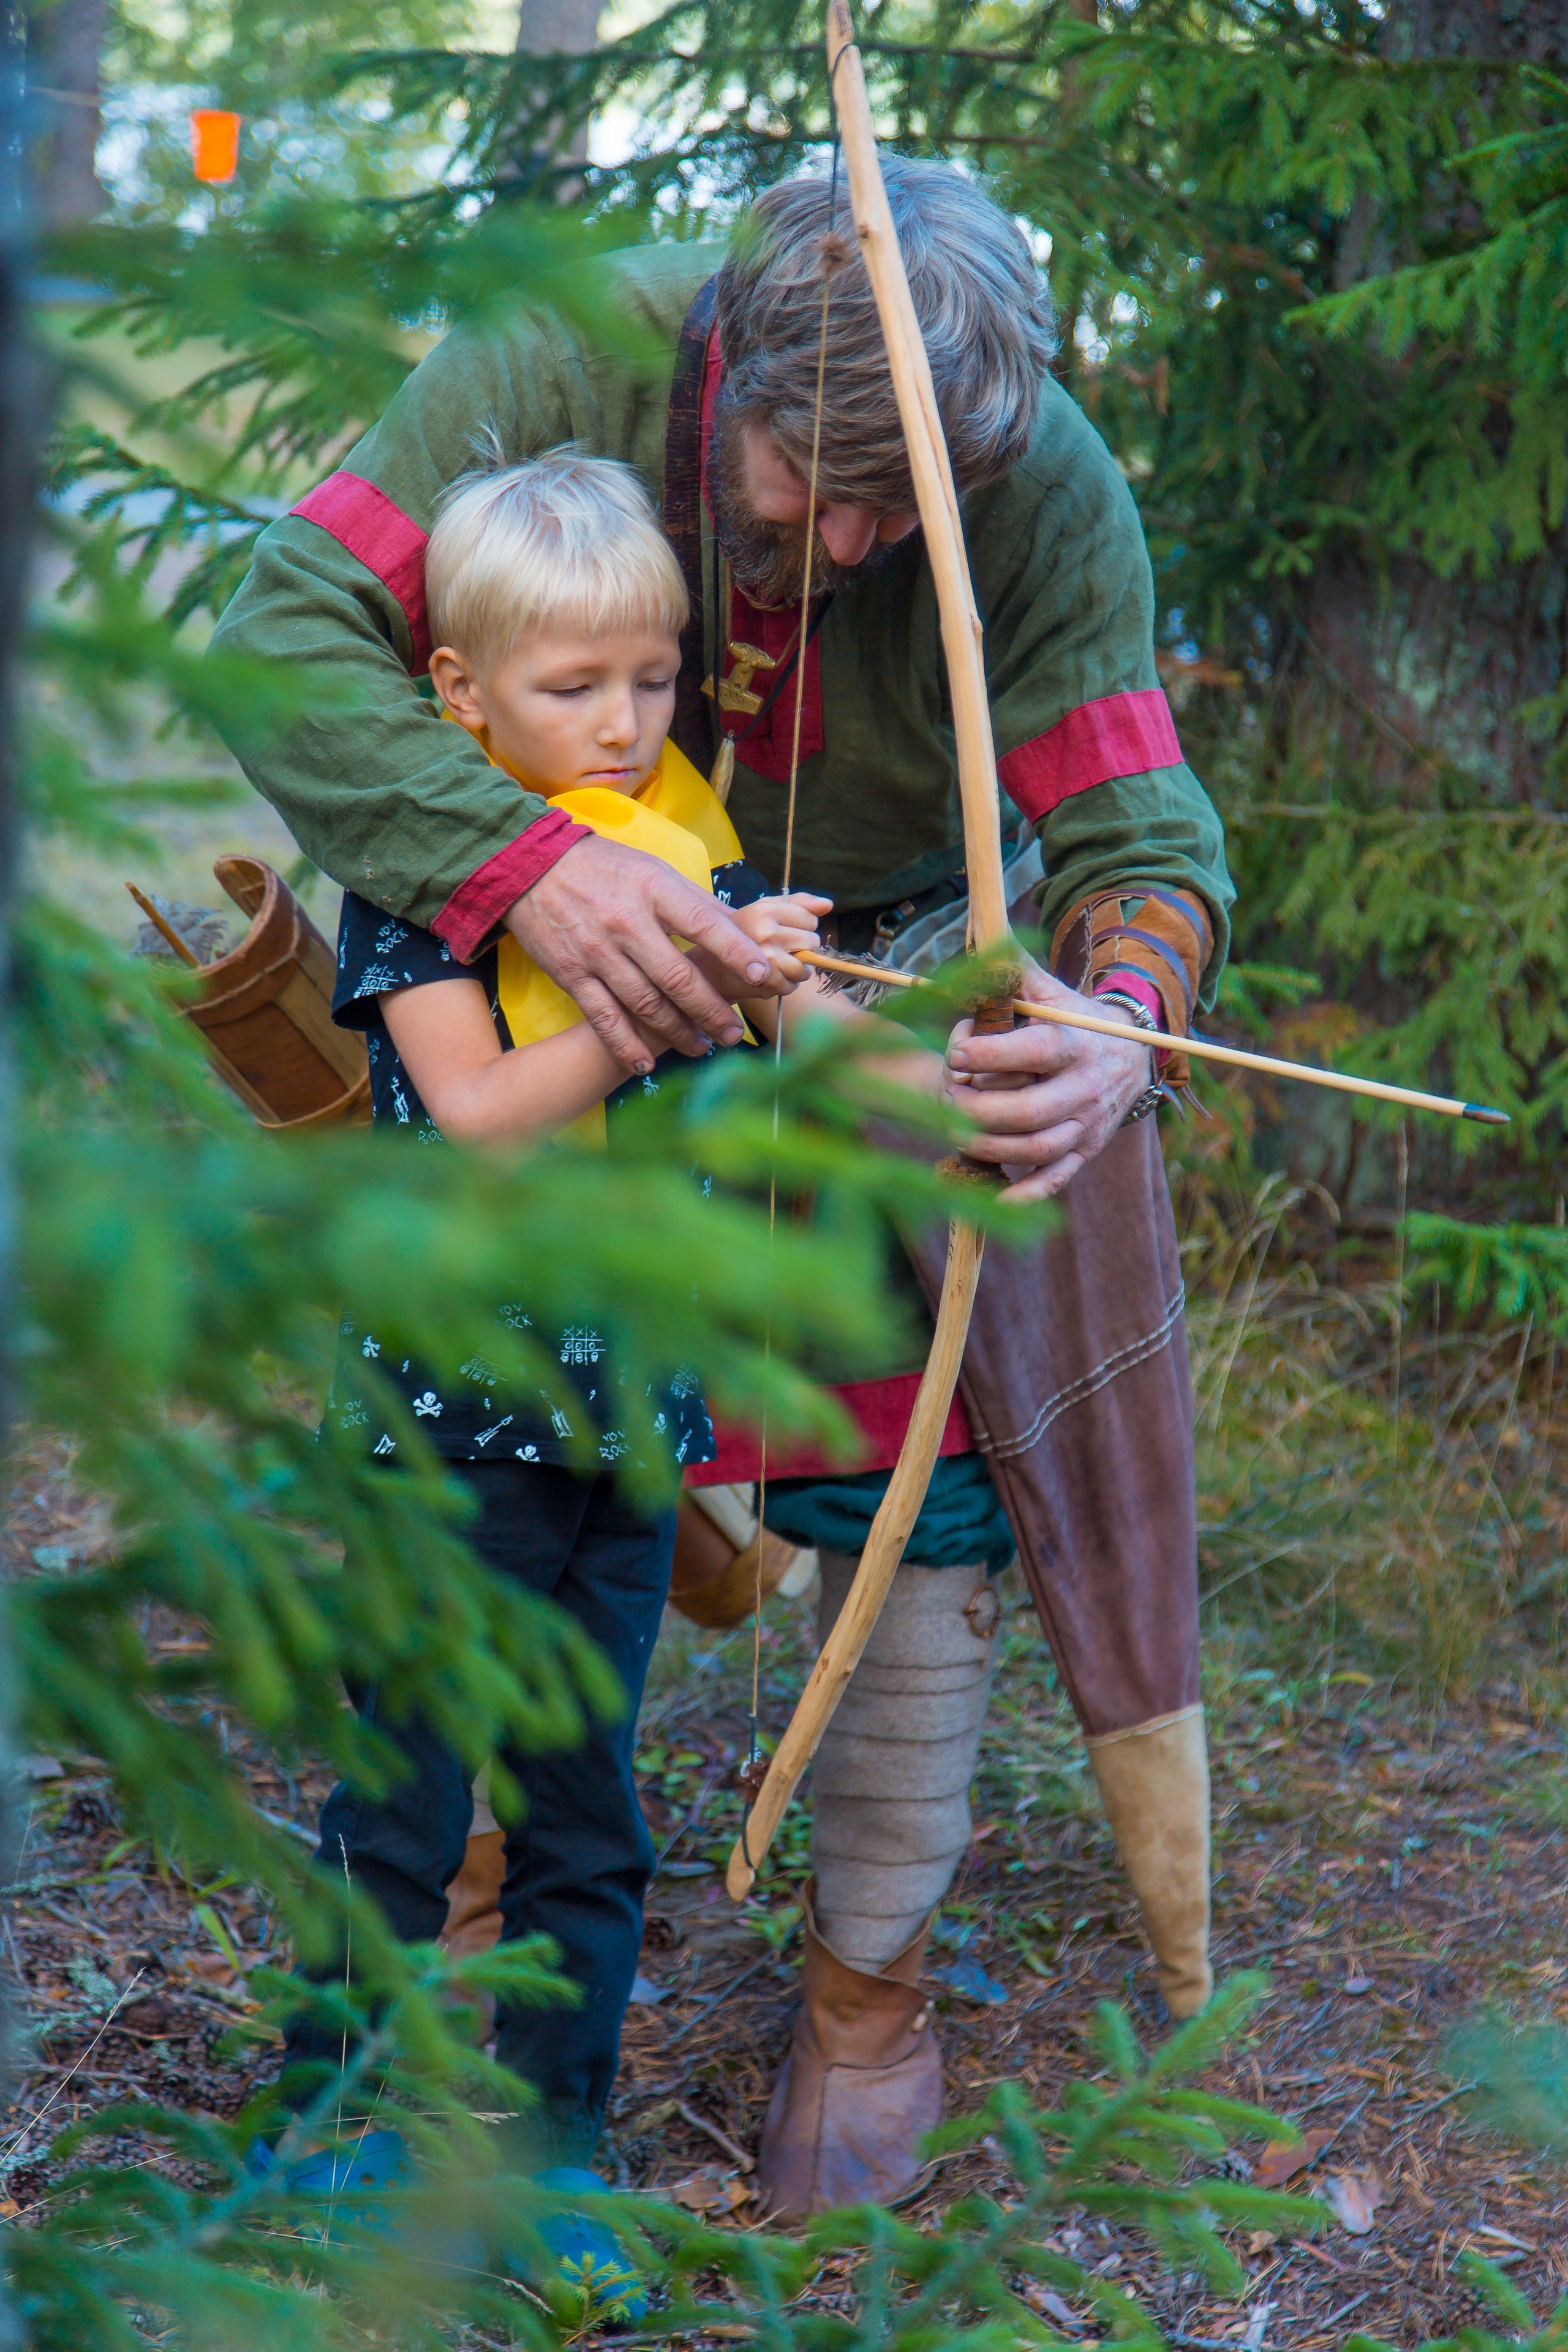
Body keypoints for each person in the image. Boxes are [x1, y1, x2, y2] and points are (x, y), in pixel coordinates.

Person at [212, 157, 1235, 2219]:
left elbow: (1139, 830)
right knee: (484, 1481)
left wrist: (1118, 1016)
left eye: (895, 507)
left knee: (909, 1430)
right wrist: (532, 869)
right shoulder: (565, 353)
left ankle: (868, 1988)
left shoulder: (1034, 479)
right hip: (529, 923)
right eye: (802, 480)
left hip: (871, 973)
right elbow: (287, 636)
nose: (843, 541)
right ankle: (451, 1915)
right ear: (727, 367)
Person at [285, 448, 827, 2184]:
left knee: (586, 1809)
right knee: (407, 1805)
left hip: (625, 1421)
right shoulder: (424, 880)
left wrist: (794, 982)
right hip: (453, 1422)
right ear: (461, 690)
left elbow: (813, 1065)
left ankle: (554, 2157)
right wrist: (672, 1003)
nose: (621, 722)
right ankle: (314, 2136)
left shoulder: (683, 847)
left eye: (653, 680)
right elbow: (477, 1123)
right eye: (572, 686)